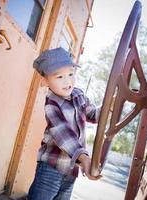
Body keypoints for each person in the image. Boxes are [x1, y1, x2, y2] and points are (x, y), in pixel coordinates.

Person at [28, 47, 101, 200]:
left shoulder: (79, 95)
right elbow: (63, 135)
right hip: (51, 167)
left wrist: (110, 107)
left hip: (72, 169)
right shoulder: (52, 103)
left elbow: (93, 115)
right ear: (45, 81)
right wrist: (84, 158)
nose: (68, 81)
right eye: (59, 77)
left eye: (71, 74)